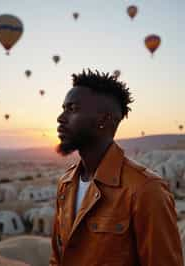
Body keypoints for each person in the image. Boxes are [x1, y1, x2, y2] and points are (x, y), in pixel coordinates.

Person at [50, 69, 183, 266]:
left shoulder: (145, 190)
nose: (60, 118)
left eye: (73, 109)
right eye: (63, 108)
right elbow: (57, 259)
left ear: (103, 120)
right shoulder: (66, 184)